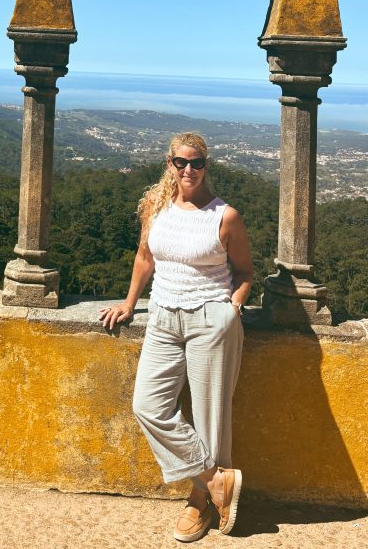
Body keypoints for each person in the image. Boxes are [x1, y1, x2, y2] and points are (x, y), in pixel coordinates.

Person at [99, 132, 254, 542]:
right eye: (181, 162)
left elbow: (245, 273)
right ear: (169, 164)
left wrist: (231, 310)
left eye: (197, 162)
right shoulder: (156, 206)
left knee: (210, 419)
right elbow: (144, 257)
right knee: (147, 405)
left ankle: (198, 503)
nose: (189, 170)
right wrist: (130, 303)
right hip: (163, 317)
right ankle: (217, 479)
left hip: (211, 321)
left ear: (207, 166)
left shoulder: (225, 217)